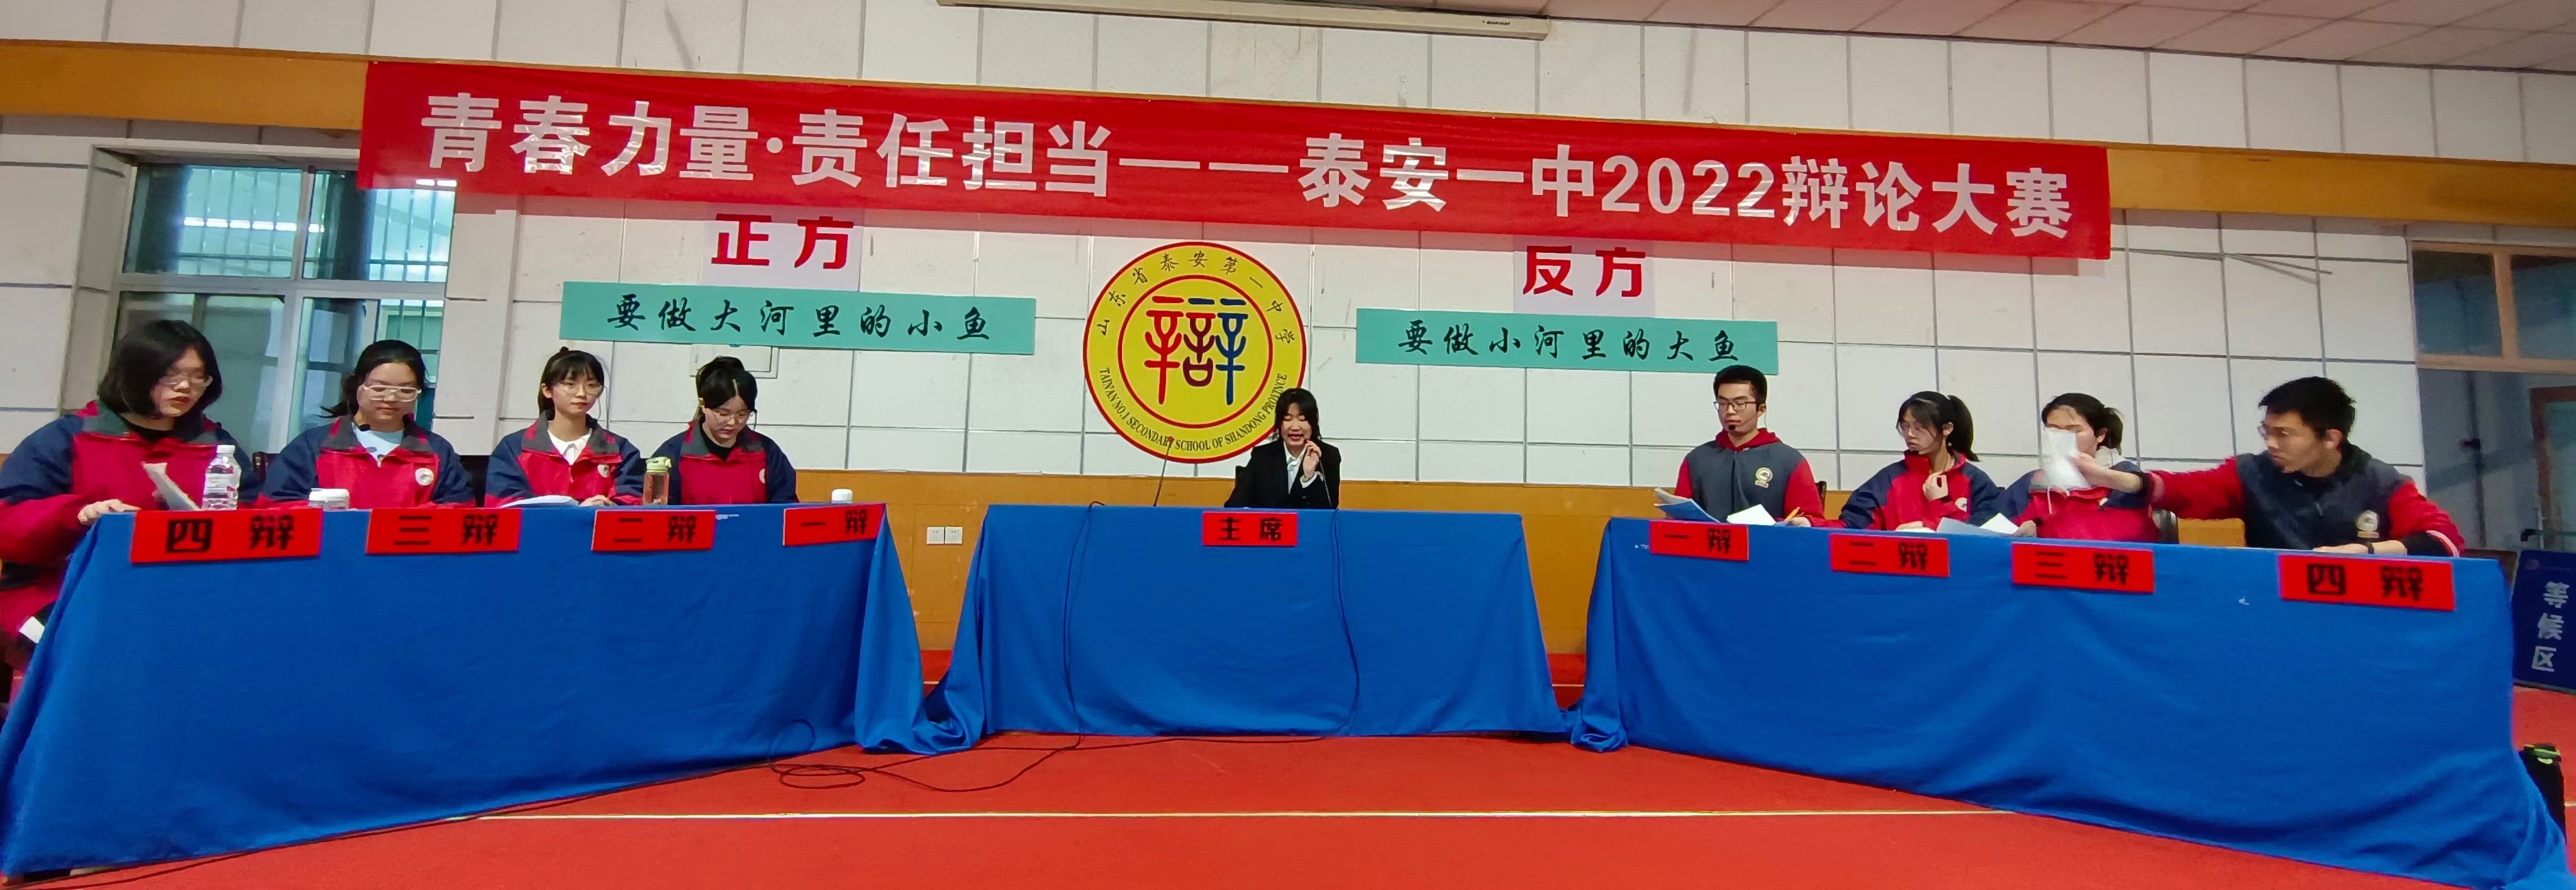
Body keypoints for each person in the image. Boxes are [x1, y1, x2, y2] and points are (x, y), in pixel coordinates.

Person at [0, 320, 261, 647]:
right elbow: (8, 523)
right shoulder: (69, 438)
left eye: (198, 377)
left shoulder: (215, 445)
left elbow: (255, 513)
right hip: (62, 586)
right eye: (170, 375)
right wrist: (77, 516)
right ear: (134, 374)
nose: (186, 387)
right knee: (86, 643)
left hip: (177, 587)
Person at [2072, 376, 2460, 556]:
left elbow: (2443, 541)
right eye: (2267, 431)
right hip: (2278, 605)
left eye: (2285, 434)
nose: (2271, 443)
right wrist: (2114, 479)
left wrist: (2365, 552)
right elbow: (2187, 490)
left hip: (2362, 611)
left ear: (2330, 438)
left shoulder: (2381, 482)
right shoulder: (2253, 473)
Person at [261, 339, 473, 508]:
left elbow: (459, 509)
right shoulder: (314, 447)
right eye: (379, 389)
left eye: (406, 390)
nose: (391, 398)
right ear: (357, 385)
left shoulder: (436, 452)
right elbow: (274, 504)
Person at [485, 348, 642, 506]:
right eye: (570, 384)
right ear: (547, 390)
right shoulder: (514, 448)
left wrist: (610, 507)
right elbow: (503, 504)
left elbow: (633, 500)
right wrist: (575, 513)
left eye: (591, 385)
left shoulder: (620, 450)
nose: (582, 393)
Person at [1674, 365, 1825, 525]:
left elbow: (1812, 520)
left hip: (1767, 541)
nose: (1730, 411)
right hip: (1711, 540)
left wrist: (1802, 522)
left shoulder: (1789, 461)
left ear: (1761, 409)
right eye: (1723, 403)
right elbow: (1678, 519)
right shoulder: (1697, 459)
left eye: (1740, 403)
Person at [1831, 391, 2003, 530]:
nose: (1910, 435)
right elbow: (1853, 528)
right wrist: (1816, 524)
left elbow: (1987, 535)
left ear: (1947, 429)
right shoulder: (1889, 480)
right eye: (1905, 427)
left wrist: (1940, 506)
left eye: (1919, 428)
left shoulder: (1975, 482)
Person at [2002, 393, 2158, 543]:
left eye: (2073, 430)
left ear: (2100, 435)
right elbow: (1997, 523)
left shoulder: (2126, 477)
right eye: (2053, 430)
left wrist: (2043, 532)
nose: (2061, 438)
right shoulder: (2034, 482)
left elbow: (2120, 534)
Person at [650, 356, 797, 504]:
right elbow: (657, 511)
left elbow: (785, 505)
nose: (732, 422)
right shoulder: (674, 453)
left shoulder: (767, 451)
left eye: (742, 414)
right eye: (723, 413)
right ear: (703, 405)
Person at [1226, 388, 1341, 509]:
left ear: (1313, 424)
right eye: (1287, 419)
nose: (1295, 427)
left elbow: (1330, 509)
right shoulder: (1262, 456)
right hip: (1270, 522)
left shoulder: (1328, 456)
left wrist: (1310, 477)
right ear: (1279, 423)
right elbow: (1234, 505)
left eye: (1302, 419)